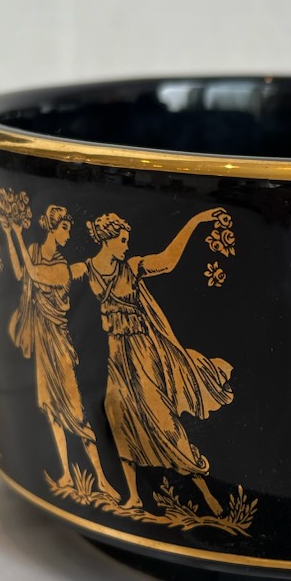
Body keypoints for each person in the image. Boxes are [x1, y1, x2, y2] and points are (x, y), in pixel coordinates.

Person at [75, 209, 233, 516]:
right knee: (118, 418)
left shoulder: (132, 267)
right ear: (108, 239)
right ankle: (134, 496)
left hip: (144, 355)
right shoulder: (89, 270)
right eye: (122, 240)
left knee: (164, 422)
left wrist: (195, 221)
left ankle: (207, 494)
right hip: (117, 356)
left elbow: (167, 260)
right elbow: (57, 277)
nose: (126, 246)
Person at [0, 205, 117, 502]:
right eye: (64, 228)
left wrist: (18, 234)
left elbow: (35, 273)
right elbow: (20, 272)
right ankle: (66, 473)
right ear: (52, 228)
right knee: (52, 410)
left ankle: (103, 480)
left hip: (58, 342)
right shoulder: (35, 250)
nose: (68, 234)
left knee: (76, 411)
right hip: (43, 341)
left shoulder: (61, 267)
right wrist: (11, 233)